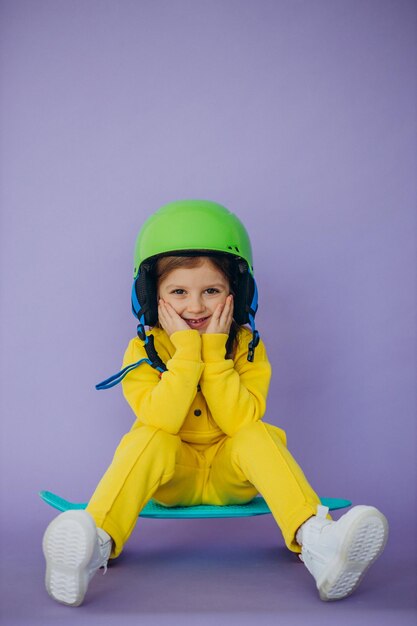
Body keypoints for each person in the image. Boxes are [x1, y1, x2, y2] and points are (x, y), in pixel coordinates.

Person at [42, 200, 388, 607]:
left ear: (236, 294)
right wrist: (188, 352)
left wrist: (215, 353)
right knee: (147, 437)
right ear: (151, 298)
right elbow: (161, 419)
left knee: (257, 433)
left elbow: (241, 419)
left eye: (211, 291)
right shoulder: (142, 348)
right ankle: (93, 543)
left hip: (230, 475)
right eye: (178, 292)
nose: (195, 306)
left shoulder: (247, 347)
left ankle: (319, 542)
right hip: (175, 476)